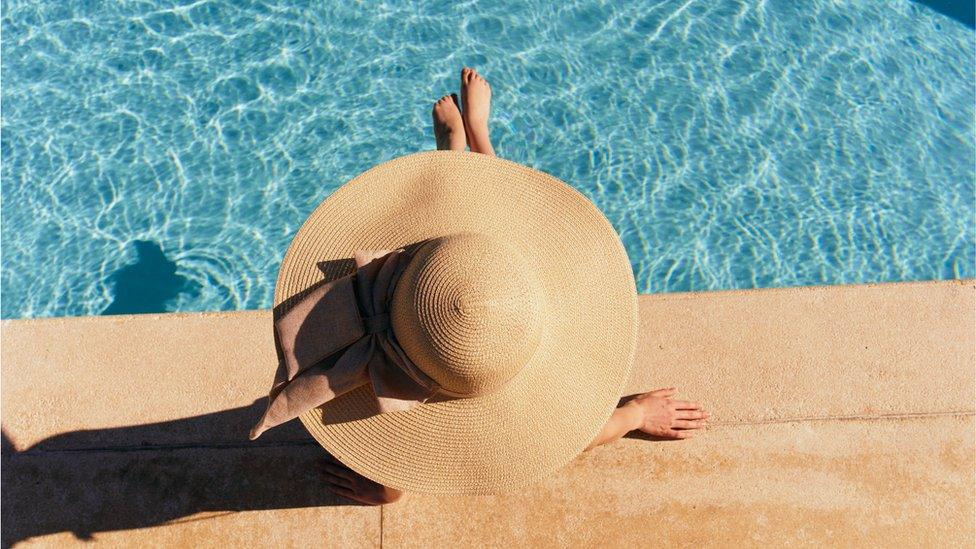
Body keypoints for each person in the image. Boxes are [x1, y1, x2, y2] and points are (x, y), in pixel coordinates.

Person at [310, 67, 709, 505]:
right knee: (475, 249)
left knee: (479, 248)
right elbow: (577, 434)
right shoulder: (490, 329)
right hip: (451, 290)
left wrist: (387, 488)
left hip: (429, 310)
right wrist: (631, 412)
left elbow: (575, 436)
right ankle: (471, 143)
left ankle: (461, 149)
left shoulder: (465, 340)